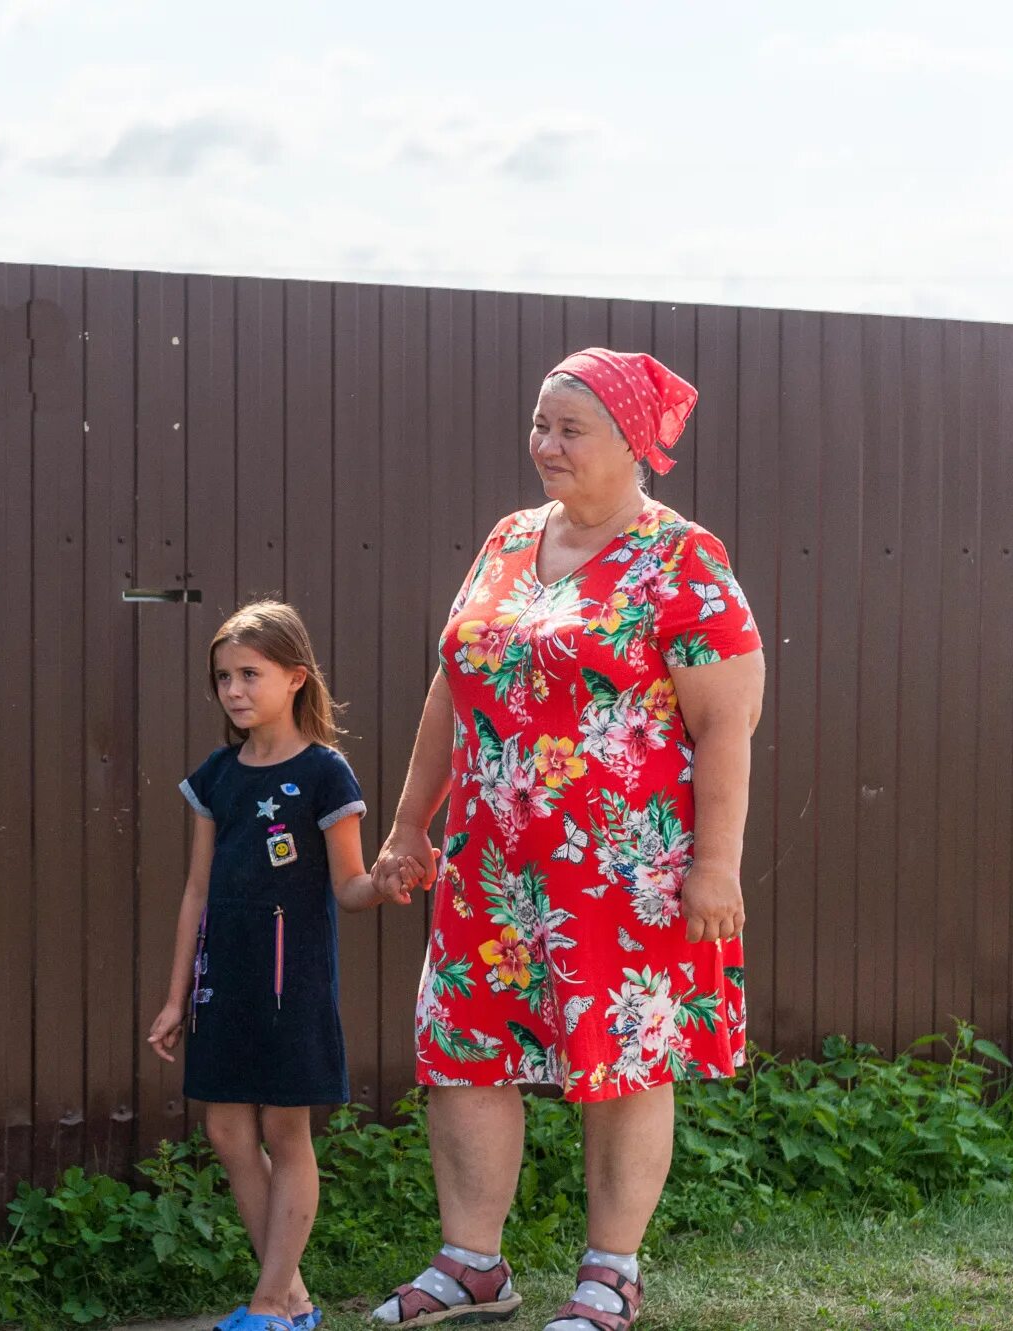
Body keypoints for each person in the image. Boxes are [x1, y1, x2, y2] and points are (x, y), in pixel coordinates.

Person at [368, 349, 766, 1331]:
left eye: (567, 429)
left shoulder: (683, 559)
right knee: (464, 1048)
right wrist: (407, 825)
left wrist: (714, 864)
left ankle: (608, 1273)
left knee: (621, 1057)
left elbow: (726, 724)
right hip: (489, 861)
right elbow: (448, 690)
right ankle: (470, 1264)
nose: (543, 444)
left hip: (623, 870)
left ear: (631, 442)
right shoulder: (507, 538)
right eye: (538, 423)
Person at [147, 600, 389, 1331]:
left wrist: (385, 881)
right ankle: (293, 1297)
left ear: (296, 677)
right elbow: (196, 890)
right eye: (223, 676)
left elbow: (349, 885)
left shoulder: (325, 772)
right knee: (226, 1131)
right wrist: (174, 994)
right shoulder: (216, 776)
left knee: (287, 1135)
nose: (234, 689)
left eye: (250, 673)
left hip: (294, 980)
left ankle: (266, 1303)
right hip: (226, 978)